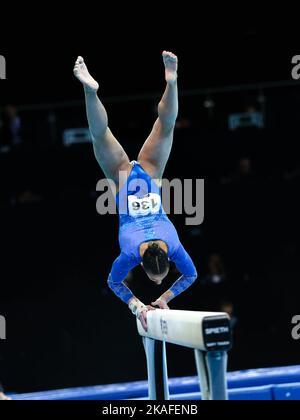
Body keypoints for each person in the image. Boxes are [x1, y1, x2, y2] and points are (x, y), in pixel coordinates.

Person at [74, 51, 197, 331]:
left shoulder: (175, 246)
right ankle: (89, 92)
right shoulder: (129, 254)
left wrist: (166, 296)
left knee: (165, 127)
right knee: (99, 133)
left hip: (151, 177)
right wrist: (138, 304)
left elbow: (191, 275)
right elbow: (113, 282)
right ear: (142, 263)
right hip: (123, 182)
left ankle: (172, 81)